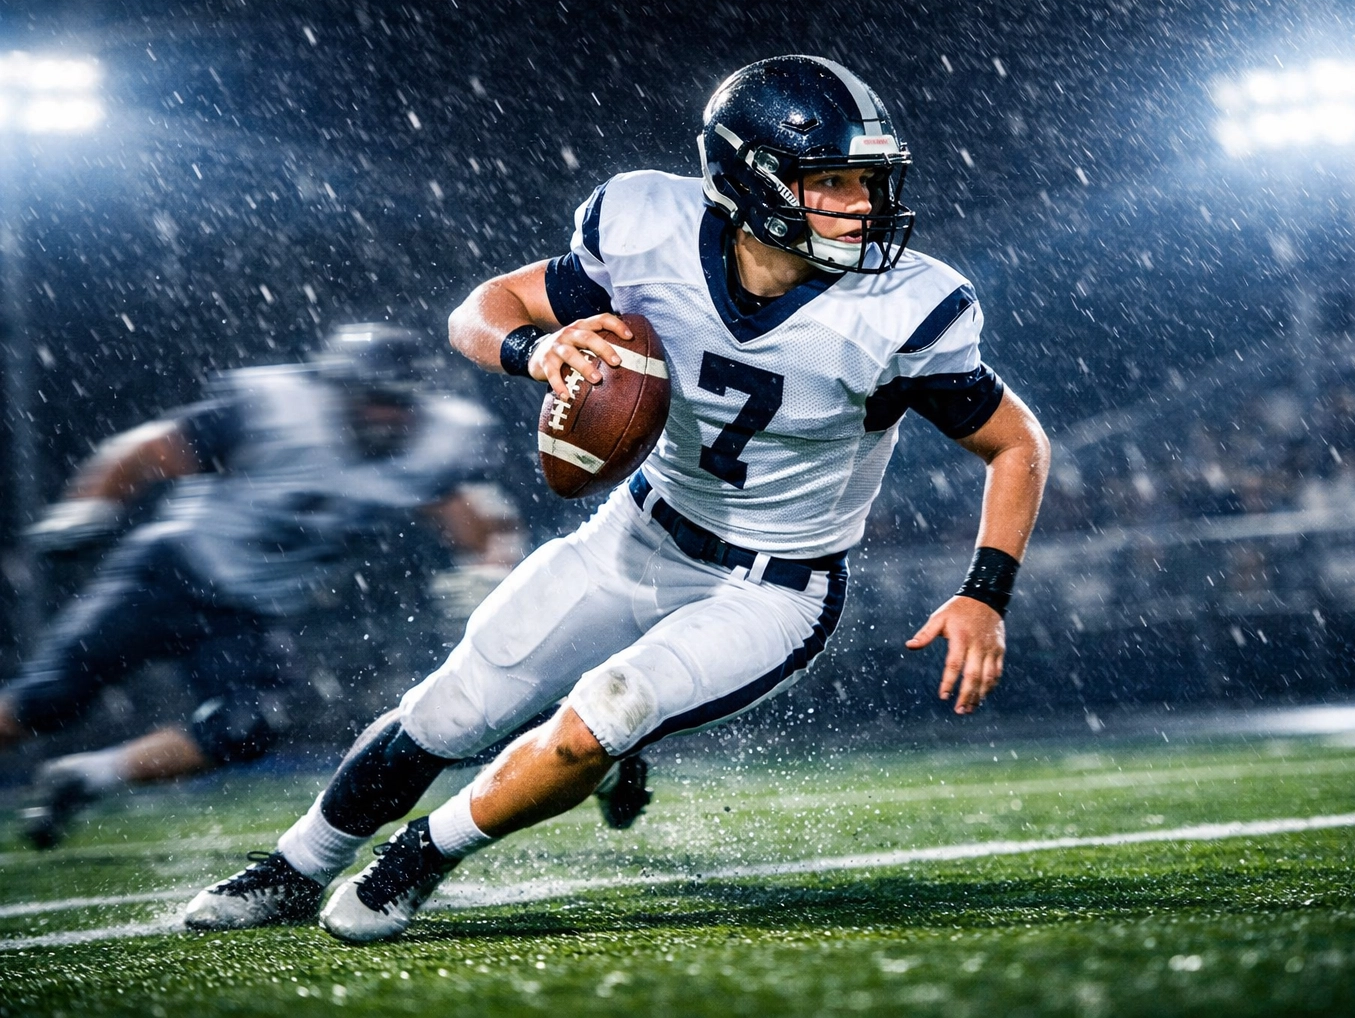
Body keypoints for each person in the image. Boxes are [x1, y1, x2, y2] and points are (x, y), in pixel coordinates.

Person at [184, 55, 1050, 942]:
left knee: (607, 711)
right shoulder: (648, 228)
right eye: (830, 181)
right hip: (636, 533)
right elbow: (480, 310)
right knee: (451, 707)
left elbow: (1016, 443)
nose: (862, 206)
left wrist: (986, 592)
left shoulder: (907, 306)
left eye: (868, 182)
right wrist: (534, 351)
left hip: (772, 585)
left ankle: (417, 861)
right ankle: (296, 865)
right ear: (745, 180)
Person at [0, 324, 518, 847]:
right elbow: (152, 449)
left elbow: (472, 512)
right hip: (169, 573)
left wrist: (491, 569)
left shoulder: (436, 440)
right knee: (46, 701)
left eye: (399, 402)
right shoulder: (278, 408)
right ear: (335, 389)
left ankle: (83, 777)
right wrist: (91, 503)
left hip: (251, 611)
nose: (385, 415)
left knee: (245, 728)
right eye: (372, 399)